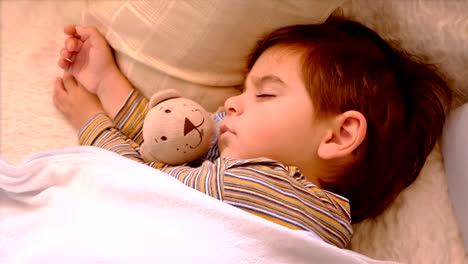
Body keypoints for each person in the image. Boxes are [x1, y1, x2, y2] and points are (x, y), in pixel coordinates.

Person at [53, 16, 452, 248]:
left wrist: (91, 121)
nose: (230, 104)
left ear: (338, 135)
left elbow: (140, 178)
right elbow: (172, 141)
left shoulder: (246, 187)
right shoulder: (319, 218)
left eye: (264, 93)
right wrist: (105, 82)